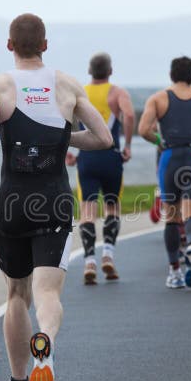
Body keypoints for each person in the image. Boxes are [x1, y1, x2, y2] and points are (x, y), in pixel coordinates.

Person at [0, 13, 112, 381]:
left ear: (9, 45)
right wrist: (65, 136)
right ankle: (44, 338)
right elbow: (103, 138)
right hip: (54, 200)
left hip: (14, 203)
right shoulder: (66, 84)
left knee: (16, 295)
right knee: (48, 294)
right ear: (45, 45)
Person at [138, 56, 191, 289]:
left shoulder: (158, 98)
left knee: (172, 216)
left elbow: (143, 129)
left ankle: (175, 272)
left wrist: (160, 139)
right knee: (190, 212)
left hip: (169, 157)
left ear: (171, 74)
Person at [65, 53, 135, 284]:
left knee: (87, 211)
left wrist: (67, 150)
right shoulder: (117, 93)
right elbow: (130, 115)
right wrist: (127, 145)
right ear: (110, 71)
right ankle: (108, 255)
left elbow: (62, 118)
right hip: (111, 157)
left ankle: (89, 261)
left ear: (89, 71)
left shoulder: (80, 92)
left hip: (87, 158)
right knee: (112, 208)